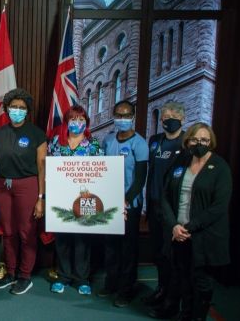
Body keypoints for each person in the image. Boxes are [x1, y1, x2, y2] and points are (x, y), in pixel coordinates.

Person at [160, 123, 231, 321]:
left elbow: (219, 206)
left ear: (211, 142)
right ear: (187, 141)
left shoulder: (220, 167)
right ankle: (185, 314)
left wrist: (189, 227)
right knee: (182, 277)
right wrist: (174, 225)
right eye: (195, 139)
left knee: (201, 281)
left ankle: (198, 318)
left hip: (204, 235)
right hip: (179, 233)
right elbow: (165, 195)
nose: (199, 143)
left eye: (204, 140)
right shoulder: (181, 161)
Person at [0, 89, 47, 295]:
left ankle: (25, 276)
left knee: (26, 232)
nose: (17, 111)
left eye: (22, 108)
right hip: (2, 187)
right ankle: (10, 273)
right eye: (14, 107)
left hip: (27, 186)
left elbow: (41, 167)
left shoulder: (37, 134)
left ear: (27, 111)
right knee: (9, 232)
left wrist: (41, 198)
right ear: (7, 109)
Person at [48, 105, 103, 296]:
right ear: (66, 122)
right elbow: (48, 167)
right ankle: (63, 276)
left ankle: (81, 279)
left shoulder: (93, 144)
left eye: (81, 120)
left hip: (85, 198)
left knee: (82, 240)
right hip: (60, 196)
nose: (76, 123)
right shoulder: (56, 142)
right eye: (73, 119)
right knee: (62, 239)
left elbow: (101, 173)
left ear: (86, 123)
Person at [99, 100, 149, 307]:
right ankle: (111, 283)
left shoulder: (140, 143)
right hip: (109, 203)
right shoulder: (108, 140)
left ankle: (126, 290)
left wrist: (126, 201)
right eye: (118, 115)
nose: (122, 119)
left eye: (126, 115)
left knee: (128, 248)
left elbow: (140, 178)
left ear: (133, 117)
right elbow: (100, 169)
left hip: (130, 204)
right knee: (111, 246)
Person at [144, 102, 186, 317]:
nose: (166, 121)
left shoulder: (186, 142)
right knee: (159, 254)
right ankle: (161, 290)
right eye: (163, 118)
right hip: (154, 204)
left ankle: (171, 301)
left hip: (173, 210)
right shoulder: (155, 141)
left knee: (172, 257)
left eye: (170, 117)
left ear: (181, 119)